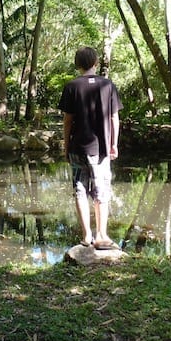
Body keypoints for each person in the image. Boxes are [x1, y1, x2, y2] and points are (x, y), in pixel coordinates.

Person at [58, 46, 123, 250]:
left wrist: (66, 146)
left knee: (80, 190)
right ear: (96, 62)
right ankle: (101, 234)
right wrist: (114, 144)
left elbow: (67, 122)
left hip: (78, 148)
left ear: (78, 65)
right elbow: (114, 119)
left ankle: (86, 236)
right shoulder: (108, 85)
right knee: (101, 191)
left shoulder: (71, 86)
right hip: (101, 149)